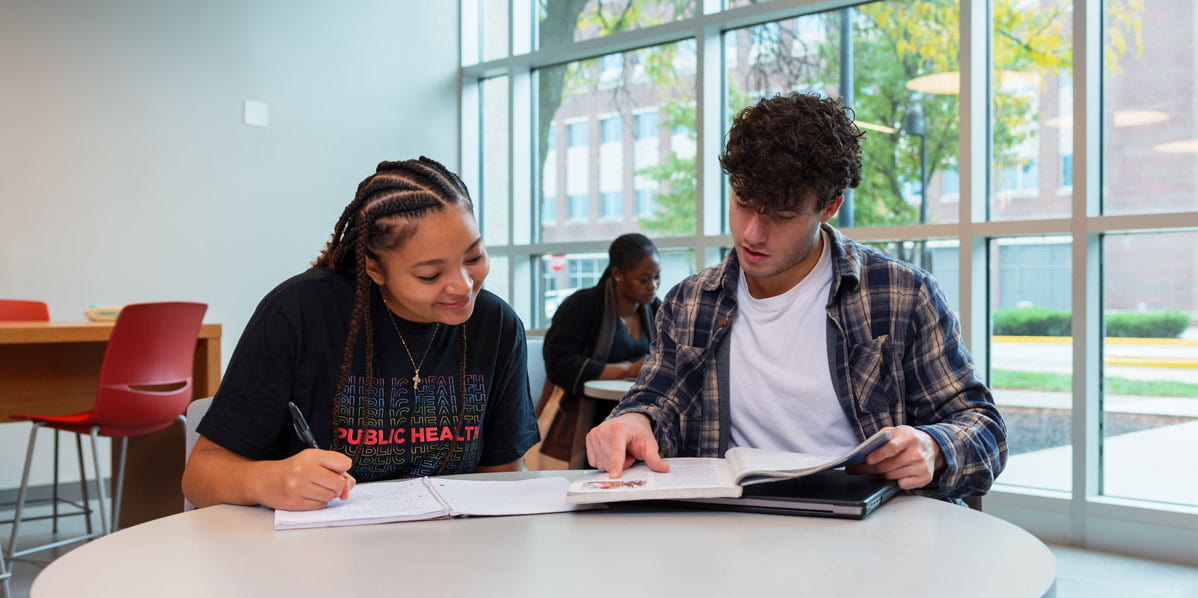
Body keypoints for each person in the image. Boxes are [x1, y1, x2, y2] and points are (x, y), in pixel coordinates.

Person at [585, 93, 1006, 501]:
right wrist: (633, 420)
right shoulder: (691, 303)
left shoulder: (901, 296)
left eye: (782, 217)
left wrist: (934, 447)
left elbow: (984, 429)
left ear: (830, 206)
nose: (752, 234)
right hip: (728, 534)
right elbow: (654, 399)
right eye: (743, 204)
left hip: (869, 537)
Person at [182, 157, 539, 511]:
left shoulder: (495, 325)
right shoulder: (300, 313)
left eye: (474, 256)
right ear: (374, 268)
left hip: (448, 553)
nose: (463, 286)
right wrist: (270, 480)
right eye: (430, 275)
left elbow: (502, 475)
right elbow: (199, 476)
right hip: (310, 555)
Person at [538, 233, 661, 467]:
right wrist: (627, 369)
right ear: (617, 274)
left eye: (656, 278)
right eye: (644, 279)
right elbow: (560, 365)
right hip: (585, 415)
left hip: (637, 413)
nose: (652, 286)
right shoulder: (582, 306)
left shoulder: (654, 308)